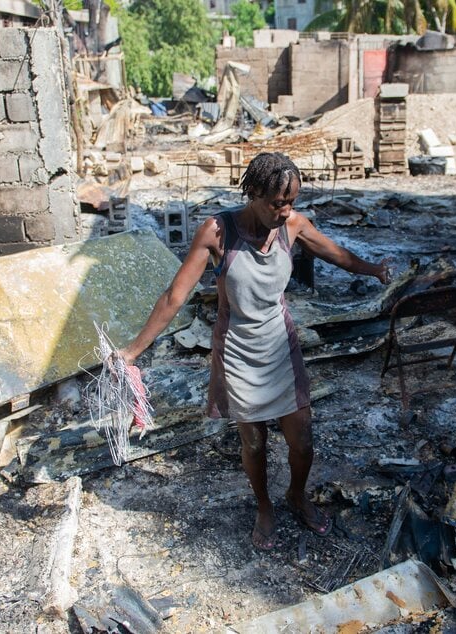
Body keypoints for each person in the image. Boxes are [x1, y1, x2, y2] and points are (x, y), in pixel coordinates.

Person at [117, 152, 390, 551]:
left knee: (302, 441)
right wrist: (133, 350)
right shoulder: (217, 231)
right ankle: (264, 506)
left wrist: (373, 269)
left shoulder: (293, 225)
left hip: (280, 345)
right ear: (253, 194)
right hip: (238, 352)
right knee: (255, 443)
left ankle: (296, 496)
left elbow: (337, 255)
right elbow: (176, 295)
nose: (285, 211)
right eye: (276, 202)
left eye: (291, 202)